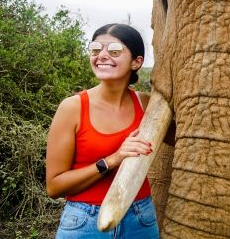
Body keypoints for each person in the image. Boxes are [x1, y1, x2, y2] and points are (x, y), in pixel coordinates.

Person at [46, 23, 160, 238]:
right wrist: (112, 160)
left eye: (114, 51)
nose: (102, 55)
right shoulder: (72, 108)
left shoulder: (146, 104)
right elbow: (54, 187)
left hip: (140, 218)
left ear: (137, 62)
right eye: (96, 49)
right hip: (84, 223)